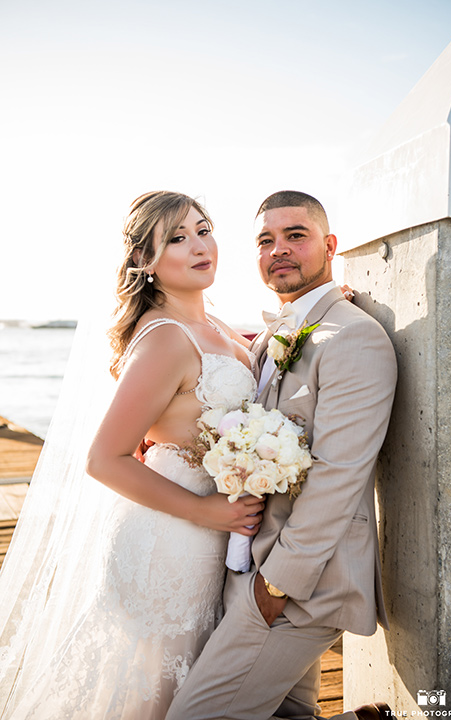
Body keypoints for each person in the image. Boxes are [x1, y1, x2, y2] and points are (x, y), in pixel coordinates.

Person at [0, 191, 264, 719]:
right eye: (177, 238)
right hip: (168, 541)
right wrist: (207, 511)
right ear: (145, 262)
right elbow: (104, 458)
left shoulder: (212, 326)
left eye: (203, 228)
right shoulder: (166, 339)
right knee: (152, 695)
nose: (199, 245)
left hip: (207, 537)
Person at [165, 190, 398, 720]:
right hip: (249, 568)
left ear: (330, 245)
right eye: (266, 241)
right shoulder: (274, 333)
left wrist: (276, 586)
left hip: (299, 585)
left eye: (296, 235)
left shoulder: (354, 338)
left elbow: (339, 475)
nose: (280, 250)